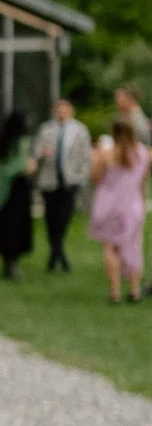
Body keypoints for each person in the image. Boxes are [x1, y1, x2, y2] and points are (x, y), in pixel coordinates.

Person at [89, 119, 150, 303]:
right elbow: (143, 182)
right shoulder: (143, 153)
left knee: (110, 248)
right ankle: (134, 289)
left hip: (108, 204)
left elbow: (95, 178)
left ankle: (114, 291)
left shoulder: (106, 153)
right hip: (132, 204)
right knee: (134, 246)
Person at [34, 96, 92, 270]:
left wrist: (81, 177)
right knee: (50, 218)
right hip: (49, 180)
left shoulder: (80, 131)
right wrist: (42, 153)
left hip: (70, 181)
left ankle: (56, 252)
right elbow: (36, 153)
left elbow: (85, 157)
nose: (61, 112)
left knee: (64, 217)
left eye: (64, 108)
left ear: (71, 110)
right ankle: (58, 253)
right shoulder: (45, 130)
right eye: (58, 109)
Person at [0, 111, 35, 280]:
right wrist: (28, 165)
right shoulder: (21, 142)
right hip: (18, 190)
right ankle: (13, 266)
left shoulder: (2, 142)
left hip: (4, 192)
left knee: (5, 227)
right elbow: (21, 165)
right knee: (16, 228)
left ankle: (7, 264)